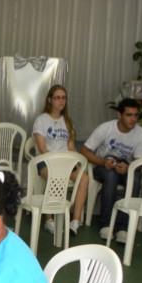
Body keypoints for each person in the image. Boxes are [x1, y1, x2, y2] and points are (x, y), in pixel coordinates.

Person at [81, 98, 142, 242]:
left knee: (134, 179)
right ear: (119, 115)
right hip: (102, 165)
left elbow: (140, 161)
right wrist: (103, 162)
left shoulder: (141, 133)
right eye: (129, 115)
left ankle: (123, 227)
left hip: (125, 166)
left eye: (136, 115)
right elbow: (85, 150)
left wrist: (129, 167)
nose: (133, 119)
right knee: (111, 176)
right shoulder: (106, 128)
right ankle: (106, 225)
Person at [32, 84, 89, 236]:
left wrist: (77, 162)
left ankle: (75, 221)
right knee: (55, 175)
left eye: (63, 98)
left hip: (66, 163)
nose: (61, 101)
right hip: (46, 162)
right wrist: (56, 163)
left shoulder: (68, 122)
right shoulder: (41, 120)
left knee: (83, 178)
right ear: (50, 100)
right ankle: (49, 219)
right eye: (57, 98)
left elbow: (70, 148)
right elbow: (42, 148)